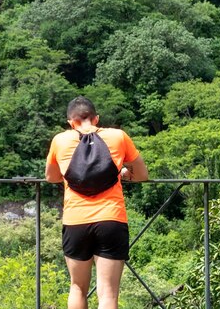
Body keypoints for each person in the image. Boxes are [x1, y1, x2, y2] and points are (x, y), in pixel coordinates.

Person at [45, 96, 148, 309]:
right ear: (97, 119)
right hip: (111, 219)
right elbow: (143, 174)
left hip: (76, 221)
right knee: (108, 295)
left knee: (77, 288)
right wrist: (124, 173)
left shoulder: (60, 140)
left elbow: (51, 177)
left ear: (70, 123)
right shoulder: (118, 136)